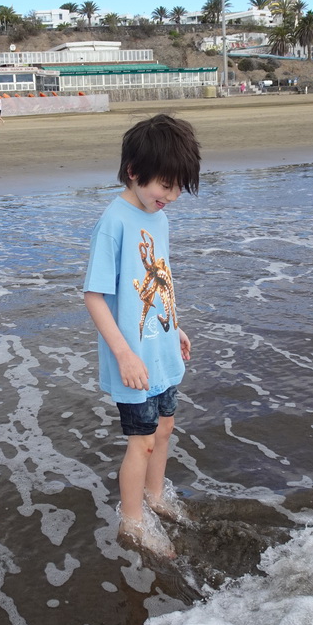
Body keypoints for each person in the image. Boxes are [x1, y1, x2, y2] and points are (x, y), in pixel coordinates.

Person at [83, 114, 201, 556]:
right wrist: (124, 355)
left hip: (162, 347)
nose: (169, 196)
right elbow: (94, 297)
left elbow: (161, 279)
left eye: (176, 188)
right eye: (164, 186)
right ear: (134, 172)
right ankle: (133, 520)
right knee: (143, 441)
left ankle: (156, 497)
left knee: (165, 429)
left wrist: (176, 325)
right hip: (133, 362)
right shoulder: (114, 222)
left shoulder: (158, 218)